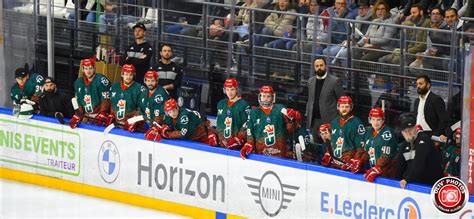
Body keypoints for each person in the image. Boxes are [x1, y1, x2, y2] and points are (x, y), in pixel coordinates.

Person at [240, 85, 298, 159]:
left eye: (268, 96)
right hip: (260, 154)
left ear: (272, 97)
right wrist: (249, 143)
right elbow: (249, 129)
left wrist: (291, 119)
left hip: (279, 153)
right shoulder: (254, 112)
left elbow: (291, 129)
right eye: (263, 96)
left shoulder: (281, 109)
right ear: (260, 97)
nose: (266, 99)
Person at [398, 114, 443, 188]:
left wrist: (407, 179)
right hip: (415, 183)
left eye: (410, 130)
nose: (409, 133)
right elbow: (400, 166)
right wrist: (396, 181)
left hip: (431, 186)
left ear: (415, 128)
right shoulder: (404, 145)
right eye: (405, 131)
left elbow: (419, 162)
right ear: (402, 133)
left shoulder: (424, 139)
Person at [305, 58, 344, 141]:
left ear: (325, 66)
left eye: (321, 65)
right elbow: (310, 100)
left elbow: (342, 101)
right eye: (317, 66)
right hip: (314, 120)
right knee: (314, 145)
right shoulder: (310, 81)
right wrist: (307, 114)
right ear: (314, 68)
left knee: (330, 145)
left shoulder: (334, 81)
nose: (319, 68)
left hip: (329, 120)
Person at [356, 108, 399, 182]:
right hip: (374, 171)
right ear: (369, 120)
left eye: (378, 119)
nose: (376, 122)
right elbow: (366, 151)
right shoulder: (369, 131)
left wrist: (377, 168)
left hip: (387, 172)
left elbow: (386, 156)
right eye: (373, 119)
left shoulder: (387, 133)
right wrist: (359, 160)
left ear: (383, 120)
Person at [324, 96, 366, 171]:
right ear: (338, 107)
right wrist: (328, 153)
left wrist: (355, 161)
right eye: (342, 106)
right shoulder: (334, 122)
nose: (344, 109)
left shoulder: (357, 123)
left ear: (351, 108)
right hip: (335, 163)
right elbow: (332, 142)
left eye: (347, 106)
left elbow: (361, 146)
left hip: (348, 164)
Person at [70, 58, 111, 129]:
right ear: (82, 69)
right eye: (86, 68)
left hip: (99, 115)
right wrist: (78, 114)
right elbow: (79, 101)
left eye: (90, 68)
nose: (88, 71)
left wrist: (103, 113)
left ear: (94, 69)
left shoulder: (102, 80)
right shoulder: (78, 82)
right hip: (86, 116)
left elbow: (106, 99)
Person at [106, 64, 146, 132]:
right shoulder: (114, 87)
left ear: (133, 75)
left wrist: (133, 121)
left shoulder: (140, 89)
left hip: (133, 127)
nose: (128, 77)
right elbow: (111, 104)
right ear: (122, 74)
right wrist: (111, 115)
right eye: (126, 74)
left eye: (131, 74)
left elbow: (143, 109)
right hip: (116, 125)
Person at [413, 74, 450, 144]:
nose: (418, 86)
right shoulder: (417, 101)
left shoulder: (436, 99)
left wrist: (436, 135)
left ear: (428, 85)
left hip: (430, 135)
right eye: (417, 84)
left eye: (421, 84)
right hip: (418, 134)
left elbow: (444, 120)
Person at [216, 78, 250, 149]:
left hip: (237, 146)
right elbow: (219, 124)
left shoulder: (243, 105)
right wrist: (220, 138)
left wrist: (238, 139)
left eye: (232, 89)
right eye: (227, 90)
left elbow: (246, 125)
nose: (230, 92)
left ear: (237, 89)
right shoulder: (221, 104)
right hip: (222, 144)